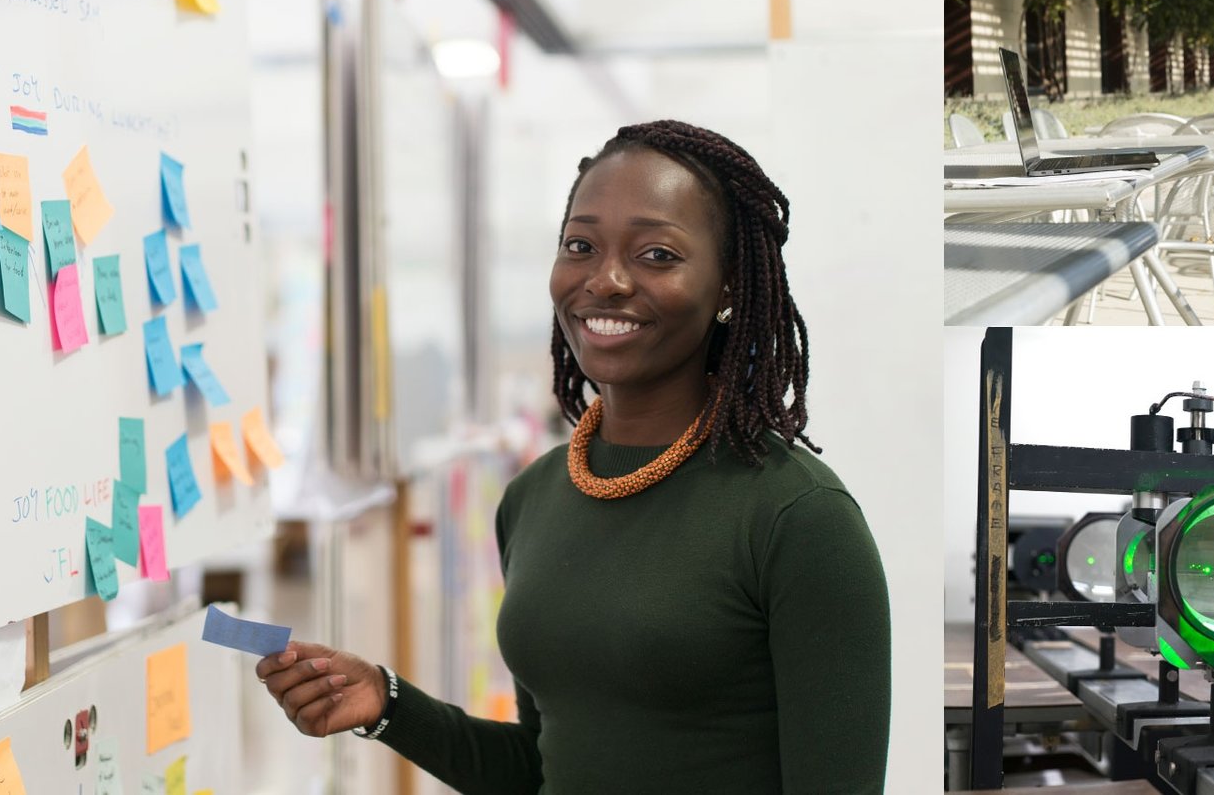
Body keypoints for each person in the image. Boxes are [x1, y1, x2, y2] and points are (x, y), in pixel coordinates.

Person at [252, 120, 889, 793]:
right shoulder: (535, 498)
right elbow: (542, 767)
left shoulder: (800, 518)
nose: (606, 280)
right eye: (580, 246)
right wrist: (387, 704)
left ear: (729, 285)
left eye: (657, 255)